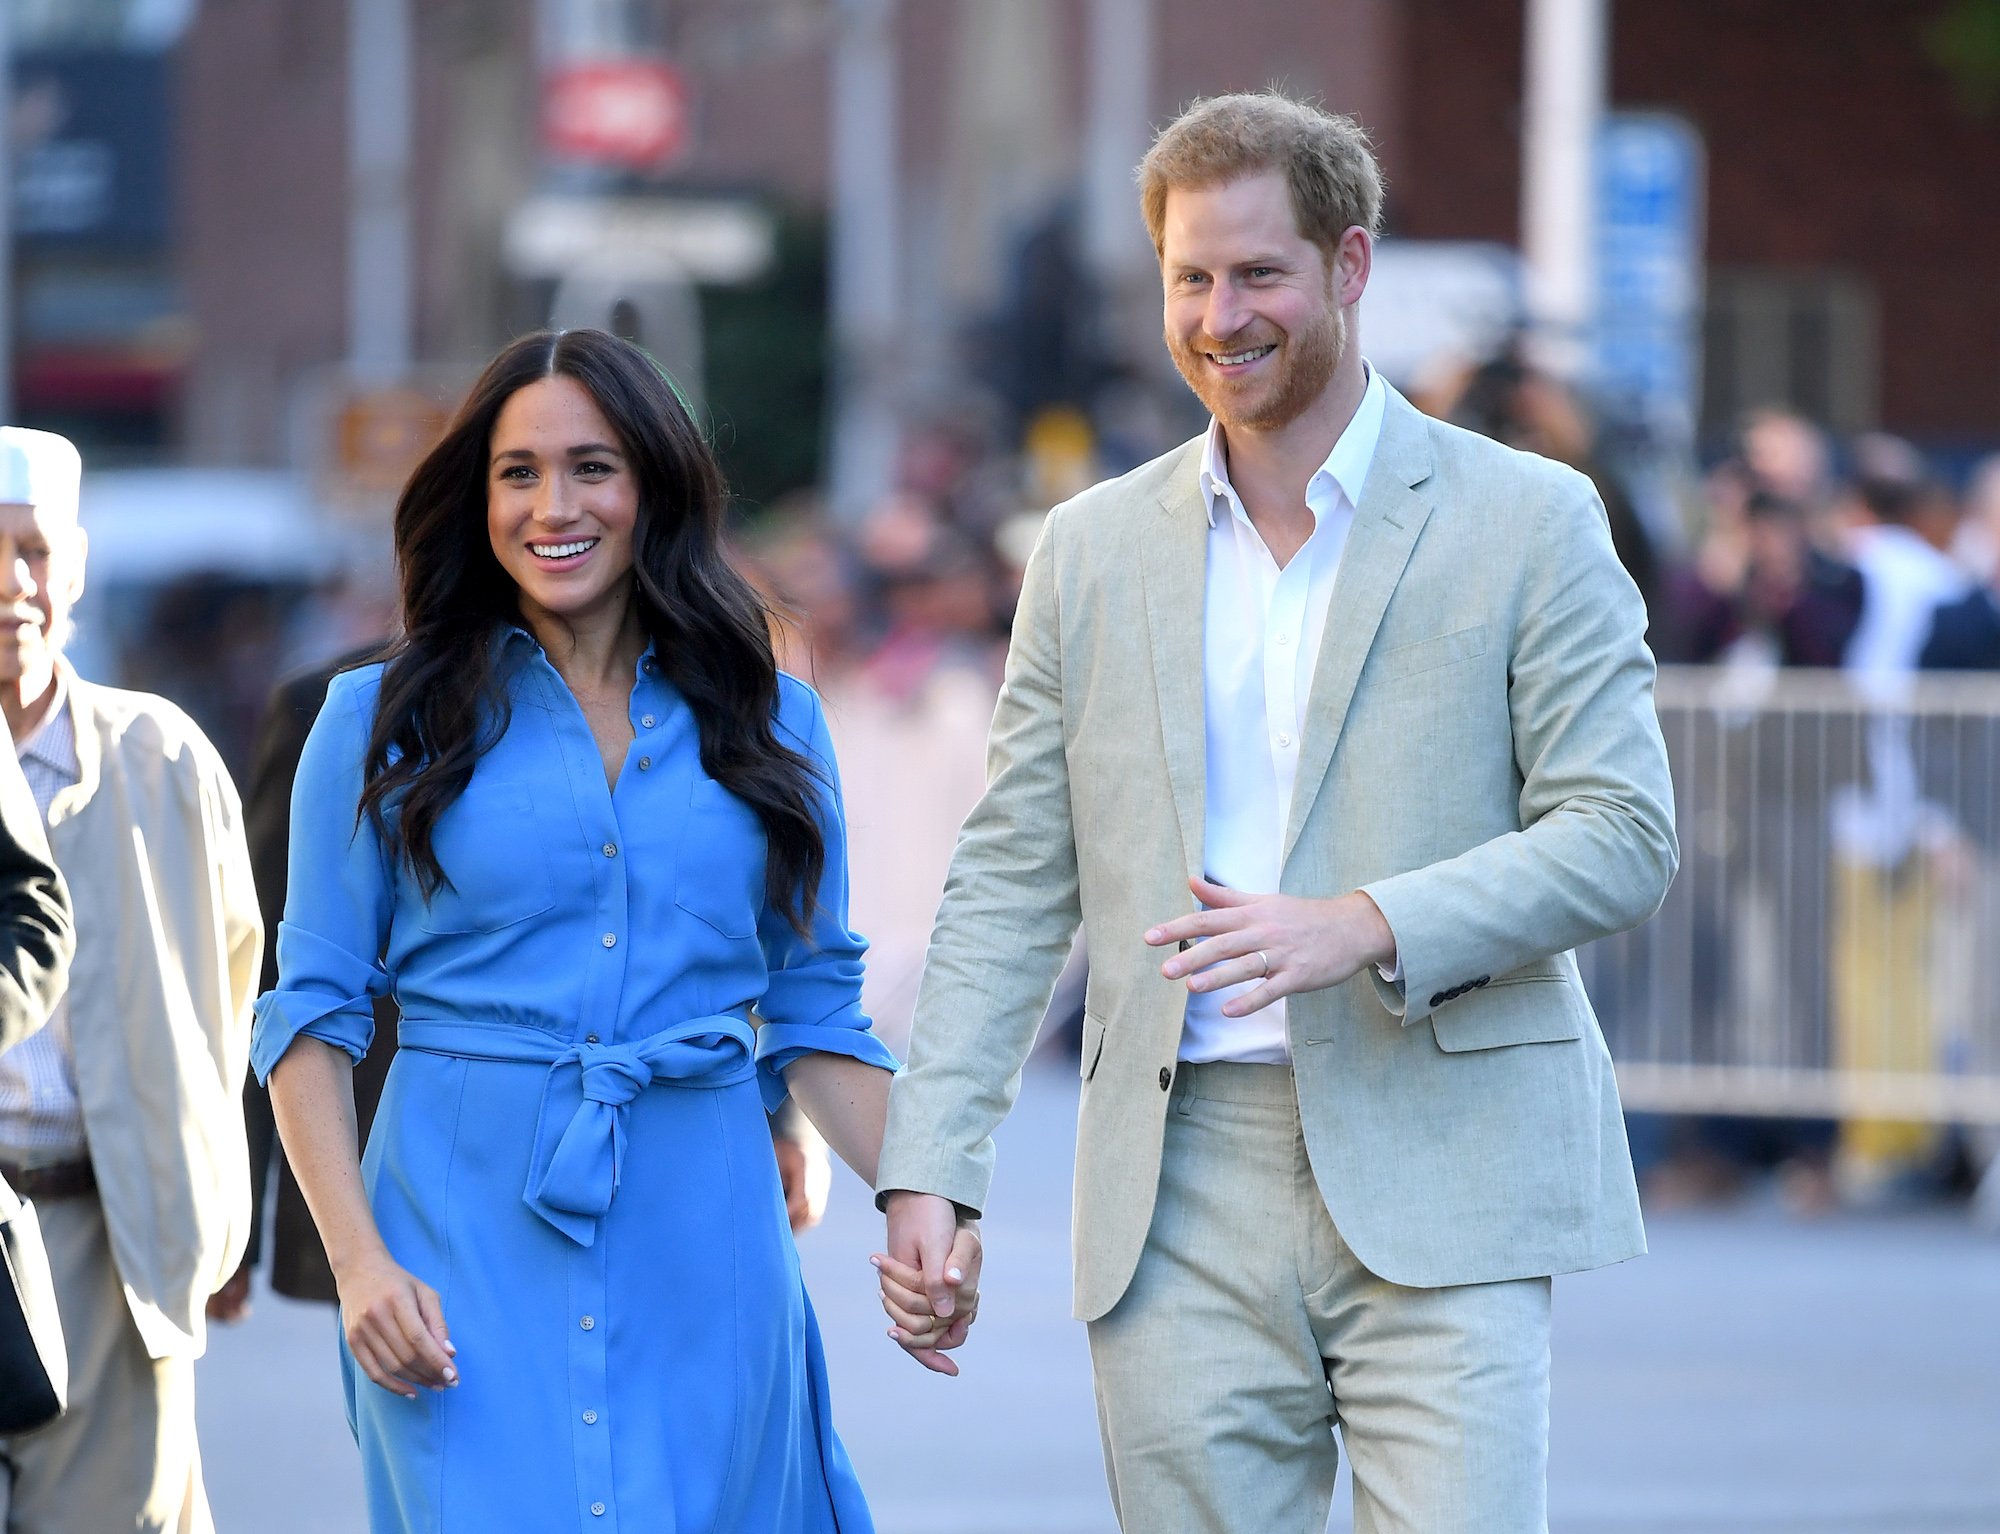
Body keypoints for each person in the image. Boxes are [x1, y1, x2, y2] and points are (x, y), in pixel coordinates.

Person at [874, 93, 1676, 1534]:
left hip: (1447, 1147)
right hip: (1176, 1181)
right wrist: (931, 1164)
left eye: (1258, 274)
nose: (1219, 314)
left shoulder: (1532, 517)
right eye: (1191, 276)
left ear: (1348, 267)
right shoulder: (1089, 549)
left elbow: (1621, 827)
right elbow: (1010, 877)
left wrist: (1365, 922)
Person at [254, 329, 975, 1532]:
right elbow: (307, 1017)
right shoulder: (373, 719)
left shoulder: (774, 721)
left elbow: (813, 1009)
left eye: (592, 467)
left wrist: (925, 1194)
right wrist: (358, 1261)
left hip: (706, 1247)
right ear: (475, 497)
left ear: (653, 484)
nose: (554, 505)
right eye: (518, 472)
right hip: (453, 1242)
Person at [229, 644, 837, 1308]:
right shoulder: (355, 708)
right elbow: (278, 979)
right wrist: (233, 1220)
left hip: (672, 1163)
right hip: (429, 1158)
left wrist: (789, 1126)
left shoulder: (733, 700)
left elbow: (726, 936)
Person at [0, 426, 263, 1534]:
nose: (15, 586)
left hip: (114, 1241)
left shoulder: (162, 756)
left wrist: (213, 1199)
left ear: (78, 567)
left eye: (37, 553)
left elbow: (235, 988)